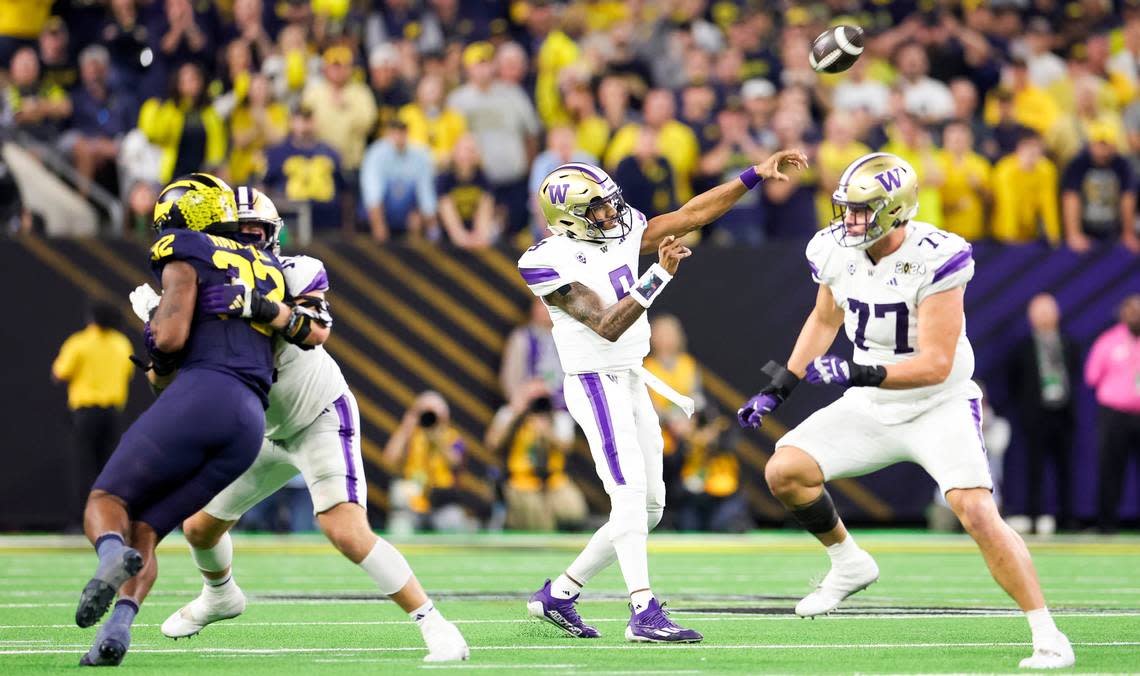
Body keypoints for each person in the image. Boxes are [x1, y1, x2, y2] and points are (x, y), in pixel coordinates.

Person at [736, 151, 1074, 668]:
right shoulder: (833, 249)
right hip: (872, 404)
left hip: (937, 404)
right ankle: (848, 562)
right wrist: (779, 387)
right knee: (785, 471)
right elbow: (825, 318)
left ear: (895, 210)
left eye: (861, 211)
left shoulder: (939, 255)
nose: (848, 220)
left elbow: (936, 364)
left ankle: (1047, 633)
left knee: (977, 511)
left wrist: (854, 371)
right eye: (845, 208)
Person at [150, 189, 467, 662]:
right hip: (260, 427)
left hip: (317, 413)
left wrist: (257, 305)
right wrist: (159, 337)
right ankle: (220, 596)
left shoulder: (295, 270)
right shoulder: (196, 290)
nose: (246, 243)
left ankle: (435, 625)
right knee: (198, 527)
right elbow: (164, 381)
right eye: (235, 234)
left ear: (273, 236)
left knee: (344, 530)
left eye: (254, 233)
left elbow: (315, 330)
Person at [520, 149, 807, 643]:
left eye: (611, 204)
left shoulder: (620, 226)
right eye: (598, 211)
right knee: (628, 498)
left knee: (650, 506)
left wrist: (752, 176)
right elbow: (606, 325)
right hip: (594, 381)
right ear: (567, 220)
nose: (612, 215)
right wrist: (659, 276)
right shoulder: (545, 260)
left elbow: (691, 214)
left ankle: (560, 594)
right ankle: (643, 611)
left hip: (632, 376)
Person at [74, 173, 296, 666]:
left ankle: (110, 558)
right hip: (248, 421)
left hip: (207, 391)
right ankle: (117, 630)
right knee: (147, 531)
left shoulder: (186, 249)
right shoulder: (265, 263)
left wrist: (153, 331)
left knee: (107, 500)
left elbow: (170, 347)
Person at [52, 301, 135, 514]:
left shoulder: (79, 343)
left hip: (85, 413)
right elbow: (128, 373)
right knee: (110, 469)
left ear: (91, 319)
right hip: (113, 413)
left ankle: (82, 521)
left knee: (83, 467)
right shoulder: (122, 344)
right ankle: (111, 518)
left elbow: (60, 373)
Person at [1008, 294, 1080, 533]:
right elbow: (1014, 383)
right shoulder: (1022, 349)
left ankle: (1067, 519)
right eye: (1039, 312)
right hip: (1035, 417)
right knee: (1033, 469)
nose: (1044, 317)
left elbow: (1076, 376)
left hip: (1062, 414)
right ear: (1031, 317)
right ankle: (1033, 516)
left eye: (1048, 311)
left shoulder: (1069, 343)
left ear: (1057, 314)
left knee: (1066, 469)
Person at [485, 380, 587, 532]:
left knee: (574, 510)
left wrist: (546, 432)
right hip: (521, 480)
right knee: (537, 519)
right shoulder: (510, 413)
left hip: (554, 479)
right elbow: (492, 444)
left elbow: (566, 447)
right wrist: (517, 414)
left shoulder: (559, 417)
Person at [1085, 294, 1140, 534]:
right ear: (1123, 314)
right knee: (1110, 469)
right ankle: (1106, 523)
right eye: (1131, 311)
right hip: (1115, 414)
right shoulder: (1108, 341)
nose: (1135, 316)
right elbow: (1091, 377)